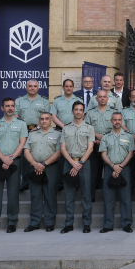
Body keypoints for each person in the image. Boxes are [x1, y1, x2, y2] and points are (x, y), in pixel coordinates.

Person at [0, 98, 28, 234]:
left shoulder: (21, 124)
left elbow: (22, 143)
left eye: (12, 106)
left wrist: (11, 158)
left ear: (15, 107)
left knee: (13, 193)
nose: (10, 108)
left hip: (14, 162)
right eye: (7, 106)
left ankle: (12, 222)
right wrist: (3, 158)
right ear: (2, 108)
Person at [59, 102, 95, 234]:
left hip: (84, 163)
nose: (78, 112)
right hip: (69, 163)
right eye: (76, 110)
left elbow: (90, 148)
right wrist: (72, 163)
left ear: (84, 112)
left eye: (81, 110)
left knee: (86, 195)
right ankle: (69, 223)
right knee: (69, 195)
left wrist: (79, 163)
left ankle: (86, 223)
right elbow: (63, 148)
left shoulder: (89, 128)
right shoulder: (66, 128)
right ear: (72, 111)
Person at [23, 112, 62, 233]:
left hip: (50, 168)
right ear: (39, 121)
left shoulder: (58, 134)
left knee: (50, 195)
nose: (44, 121)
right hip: (34, 167)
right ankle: (34, 223)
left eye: (46, 119)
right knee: (35, 195)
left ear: (51, 121)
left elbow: (59, 152)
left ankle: (50, 223)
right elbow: (26, 150)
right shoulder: (32, 134)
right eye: (42, 119)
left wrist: (44, 164)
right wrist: (35, 164)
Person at [99, 112, 135, 233]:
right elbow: (103, 154)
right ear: (111, 121)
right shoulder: (105, 136)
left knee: (125, 197)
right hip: (110, 168)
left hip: (124, 168)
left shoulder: (129, 136)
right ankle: (108, 224)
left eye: (119, 120)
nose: (117, 122)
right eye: (115, 120)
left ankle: (126, 224)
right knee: (109, 198)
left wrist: (120, 167)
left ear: (122, 121)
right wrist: (113, 166)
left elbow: (130, 153)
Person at [15, 79, 51, 191]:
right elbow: (15, 116)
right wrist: (24, 131)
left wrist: (36, 128)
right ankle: (25, 181)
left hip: (40, 130)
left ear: (38, 88)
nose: (32, 88)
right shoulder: (19, 101)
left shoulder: (44, 101)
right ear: (26, 87)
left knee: (38, 154)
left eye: (35, 86)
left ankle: (40, 178)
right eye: (30, 86)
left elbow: (47, 117)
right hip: (22, 131)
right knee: (25, 158)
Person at [51, 79, 82, 191]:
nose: (68, 88)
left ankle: (75, 180)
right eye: (66, 86)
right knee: (61, 156)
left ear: (73, 88)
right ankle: (60, 182)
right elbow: (53, 116)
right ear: (63, 87)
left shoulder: (78, 100)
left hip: (76, 130)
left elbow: (82, 115)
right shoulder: (57, 101)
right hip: (61, 130)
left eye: (70, 86)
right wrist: (64, 127)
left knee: (74, 154)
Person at [84, 89, 115, 202]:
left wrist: (103, 138)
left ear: (107, 99)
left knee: (108, 171)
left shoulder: (113, 112)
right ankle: (91, 196)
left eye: (104, 97)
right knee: (93, 172)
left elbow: (116, 126)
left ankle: (108, 198)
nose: (102, 98)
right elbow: (87, 127)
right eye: (100, 97)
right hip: (94, 145)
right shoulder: (91, 112)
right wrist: (97, 137)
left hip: (108, 145)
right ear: (96, 99)